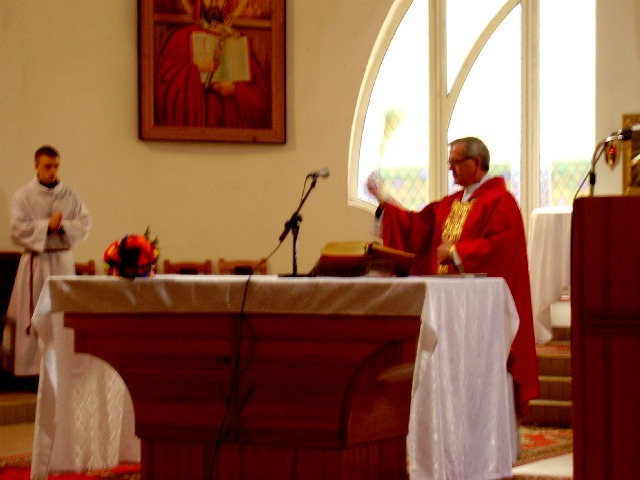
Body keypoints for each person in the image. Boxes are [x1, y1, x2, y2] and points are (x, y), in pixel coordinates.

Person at [367, 136, 539, 419]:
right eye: (449, 162)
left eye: (456, 162)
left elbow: (502, 247)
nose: (450, 168)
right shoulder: (449, 204)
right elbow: (416, 229)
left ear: (476, 162)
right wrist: (384, 202)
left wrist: (458, 253)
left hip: (481, 312)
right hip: (448, 307)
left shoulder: (501, 202)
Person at [1, 145, 92, 377]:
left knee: (60, 315)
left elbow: (84, 224)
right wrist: (45, 227)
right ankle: (30, 369)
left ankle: (62, 367)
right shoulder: (23, 195)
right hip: (35, 262)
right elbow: (16, 229)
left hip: (61, 262)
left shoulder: (70, 194)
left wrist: (63, 226)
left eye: (56, 166)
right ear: (36, 166)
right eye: (47, 166)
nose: (52, 171)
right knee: (34, 315)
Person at [154, 0, 271, 129]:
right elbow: (165, 84)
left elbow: (261, 96)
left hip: (230, 126)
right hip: (198, 125)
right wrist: (197, 68)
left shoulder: (238, 41)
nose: (214, 3)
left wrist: (235, 89)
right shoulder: (181, 38)